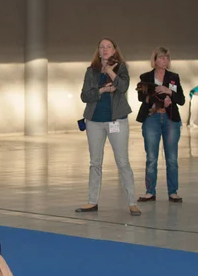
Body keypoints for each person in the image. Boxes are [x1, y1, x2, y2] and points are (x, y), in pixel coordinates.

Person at [77, 38, 141, 216]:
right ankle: (92, 201)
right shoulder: (91, 71)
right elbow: (84, 95)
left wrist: (111, 72)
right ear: (98, 51)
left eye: (108, 47)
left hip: (117, 121)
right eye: (102, 47)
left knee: (123, 162)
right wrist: (101, 91)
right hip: (94, 121)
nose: (105, 50)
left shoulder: (121, 69)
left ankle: (132, 202)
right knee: (95, 162)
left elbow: (123, 86)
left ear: (114, 51)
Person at [136, 47, 186, 203]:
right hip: (152, 118)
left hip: (170, 119)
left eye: (167, 58)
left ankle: (173, 192)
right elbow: (141, 97)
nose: (165, 61)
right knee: (151, 157)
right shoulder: (145, 77)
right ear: (155, 60)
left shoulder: (173, 77)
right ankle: (150, 192)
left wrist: (169, 92)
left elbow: (181, 100)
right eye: (162, 58)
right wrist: (159, 100)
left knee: (171, 158)